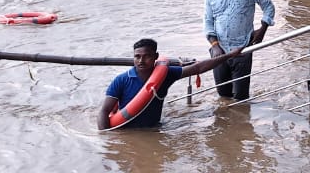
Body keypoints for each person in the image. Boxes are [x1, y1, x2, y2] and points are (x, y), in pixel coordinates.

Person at [98, 38, 242, 130]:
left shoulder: (166, 74)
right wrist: (106, 143)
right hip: (125, 129)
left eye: (146, 56)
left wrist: (229, 55)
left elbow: (198, 68)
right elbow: (104, 111)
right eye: (137, 57)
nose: (141, 61)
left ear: (155, 56)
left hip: (154, 129)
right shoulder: (121, 80)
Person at [203, 0, 276, 101]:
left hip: (243, 49)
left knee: (241, 97)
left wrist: (262, 30)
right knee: (223, 95)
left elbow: (268, 6)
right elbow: (208, 22)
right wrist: (215, 46)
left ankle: (242, 115)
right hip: (219, 52)